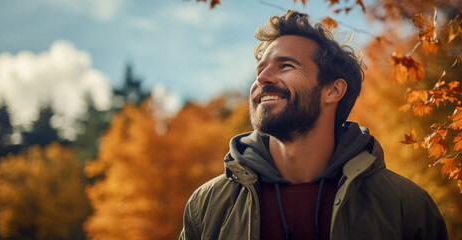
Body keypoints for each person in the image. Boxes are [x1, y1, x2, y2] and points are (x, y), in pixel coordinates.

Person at [179, 10, 448, 240]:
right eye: (259, 70)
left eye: (285, 66)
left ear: (332, 90)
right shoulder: (206, 206)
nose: (263, 78)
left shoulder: (406, 206)